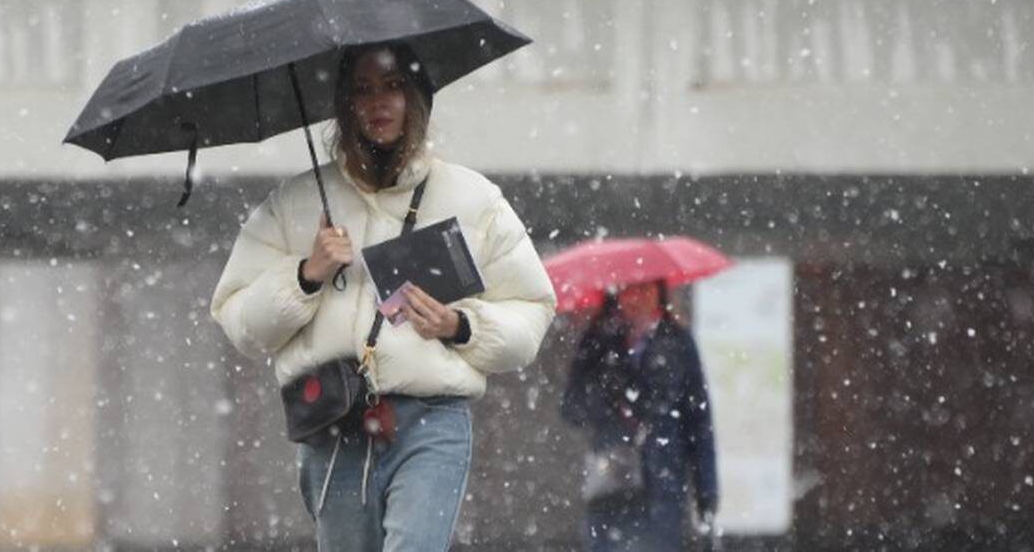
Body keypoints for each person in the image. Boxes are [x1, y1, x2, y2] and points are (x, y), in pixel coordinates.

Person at [210, 41, 557, 552]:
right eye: (363, 90)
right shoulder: (295, 203)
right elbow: (237, 321)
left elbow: (532, 311)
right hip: (335, 422)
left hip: (433, 421)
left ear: (418, 100)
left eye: (393, 87)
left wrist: (459, 327)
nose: (379, 103)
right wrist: (306, 274)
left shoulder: (474, 200)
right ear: (344, 106)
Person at [561, 281, 718, 552]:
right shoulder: (599, 339)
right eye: (630, 289)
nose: (638, 298)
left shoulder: (677, 341)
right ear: (616, 293)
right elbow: (572, 408)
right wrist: (607, 388)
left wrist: (707, 492)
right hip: (611, 479)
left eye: (647, 289)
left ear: (660, 292)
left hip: (663, 482)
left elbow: (699, 421)